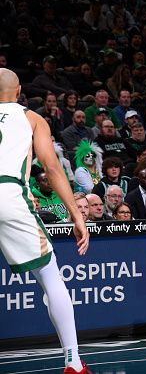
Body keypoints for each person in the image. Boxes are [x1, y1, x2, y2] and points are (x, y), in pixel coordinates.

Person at [0, 68, 91, 373]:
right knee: (51, 278)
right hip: (9, 193)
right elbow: (52, 169)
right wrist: (76, 214)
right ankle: (74, 364)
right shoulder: (32, 119)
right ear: (20, 90)